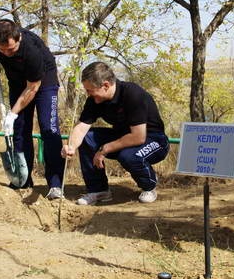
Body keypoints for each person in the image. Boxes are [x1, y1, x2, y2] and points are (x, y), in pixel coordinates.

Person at [61, 61, 169, 205]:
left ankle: (149, 186)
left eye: (90, 90)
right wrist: (71, 146)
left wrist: (105, 149)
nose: (88, 94)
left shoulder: (133, 94)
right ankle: (99, 190)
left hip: (153, 140)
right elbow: (81, 127)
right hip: (123, 137)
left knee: (129, 156)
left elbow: (138, 136)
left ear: (105, 85)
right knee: (88, 138)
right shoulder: (94, 100)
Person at [0, 18, 65, 198]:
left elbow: (32, 88)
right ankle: (22, 180)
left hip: (43, 81)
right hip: (18, 82)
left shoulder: (31, 51)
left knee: (49, 128)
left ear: (18, 39)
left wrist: (11, 114)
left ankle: (55, 184)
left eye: (11, 49)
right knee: (19, 130)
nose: (6, 53)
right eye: (1, 50)